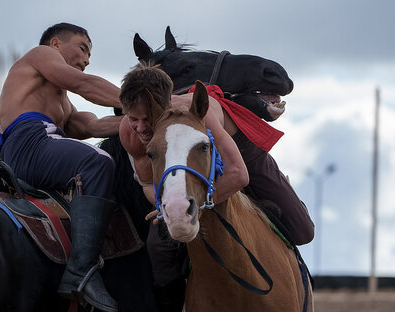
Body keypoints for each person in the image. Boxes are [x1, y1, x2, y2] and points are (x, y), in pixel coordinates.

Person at [118, 63, 314, 312]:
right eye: (133, 118)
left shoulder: (199, 110)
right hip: (190, 168)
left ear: (163, 106)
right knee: (158, 247)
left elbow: (238, 174)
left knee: (303, 230)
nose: (141, 127)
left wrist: (198, 204)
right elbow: (149, 184)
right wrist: (167, 206)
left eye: (147, 118)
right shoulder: (131, 132)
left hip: (242, 154)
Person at [0, 23, 122, 311]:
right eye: (83, 48)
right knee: (98, 161)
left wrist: (141, 121)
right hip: (29, 142)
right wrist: (145, 101)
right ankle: (82, 271)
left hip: (37, 146)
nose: (87, 60)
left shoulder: (62, 103)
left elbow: (93, 125)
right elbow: (84, 84)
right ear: (56, 44)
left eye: (90, 55)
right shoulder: (41, 54)